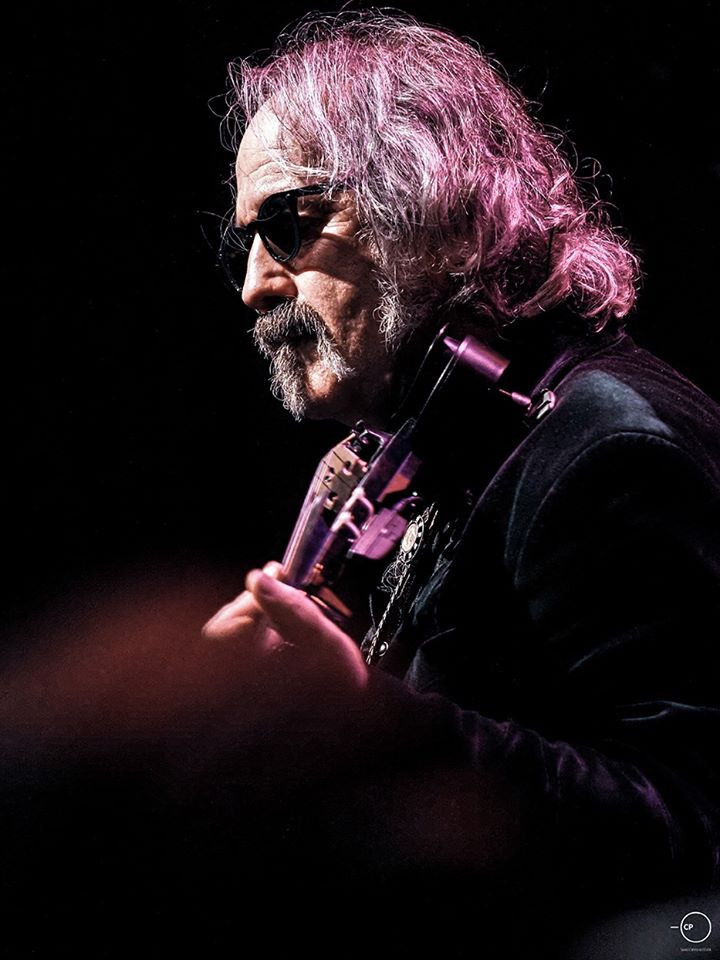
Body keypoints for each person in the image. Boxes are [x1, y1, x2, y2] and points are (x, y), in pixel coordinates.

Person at [2, 9, 718, 959]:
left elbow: (693, 829)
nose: (254, 284)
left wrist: (369, 722)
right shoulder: (442, 436)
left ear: (432, 205)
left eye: (287, 225)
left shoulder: (608, 446)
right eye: (245, 242)